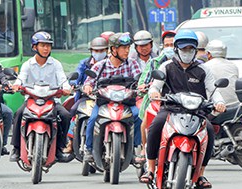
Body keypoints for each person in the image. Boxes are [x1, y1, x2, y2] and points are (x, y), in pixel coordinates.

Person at [139, 30, 226, 189]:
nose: (187, 52)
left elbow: (214, 91)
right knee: (155, 126)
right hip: (171, 110)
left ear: (195, 50)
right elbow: (155, 86)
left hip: (197, 112)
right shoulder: (167, 66)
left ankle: (200, 175)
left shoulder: (203, 70)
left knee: (209, 131)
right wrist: (154, 93)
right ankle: (150, 168)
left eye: (190, 49)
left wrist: (219, 103)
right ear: (176, 49)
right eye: (184, 49)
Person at [9, 31, 72, 162]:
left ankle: (60, 147)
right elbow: (21, 78)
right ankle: (15, 148)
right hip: (31, 100)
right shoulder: (28, 64)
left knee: (65, 116)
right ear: (34, 47)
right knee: (19, 114)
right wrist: (16, 86)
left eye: (48, 45)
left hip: (52, 100)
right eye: (42, 45)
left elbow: (62, 79)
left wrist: (66, 88)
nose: (46, 48)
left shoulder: (56, 64)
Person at [82, 32, 142, 162]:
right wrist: (88, 87)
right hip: (104, 104)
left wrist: (142, 86)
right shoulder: (100, 66)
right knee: (92, 119)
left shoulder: (132, 64)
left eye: (128, 48)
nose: (127, 51)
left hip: (127, 103)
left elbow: (140, 80)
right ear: (114, 49)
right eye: (124, 48)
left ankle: (136, 148)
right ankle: (88, 148)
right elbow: (88, 81)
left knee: (138, 117)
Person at [135, 30, 176, 163]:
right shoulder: (154, 63)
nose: (169, 48)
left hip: (179, 102)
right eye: (167, 45)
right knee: (146, 122)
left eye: (172, 45)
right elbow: (143, 82)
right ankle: (145, 148)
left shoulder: (187, 64)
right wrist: (147, 88)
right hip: (159, 101)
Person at [65, 36, 109, 153]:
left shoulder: (110, 64)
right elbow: (77, 75)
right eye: (96, 51)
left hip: (106, 97)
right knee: (74, 110)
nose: (99, 53)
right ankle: (70, 140)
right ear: (91, 51)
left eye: (101, 51)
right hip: (87, 96)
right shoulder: (84, 63)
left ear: (107, 51)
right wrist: (75, 84)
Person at [205, 39, 239, 105]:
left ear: (209, 54)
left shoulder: (205, 67)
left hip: (215, 106)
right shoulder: (233, 66)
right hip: (235, 104)